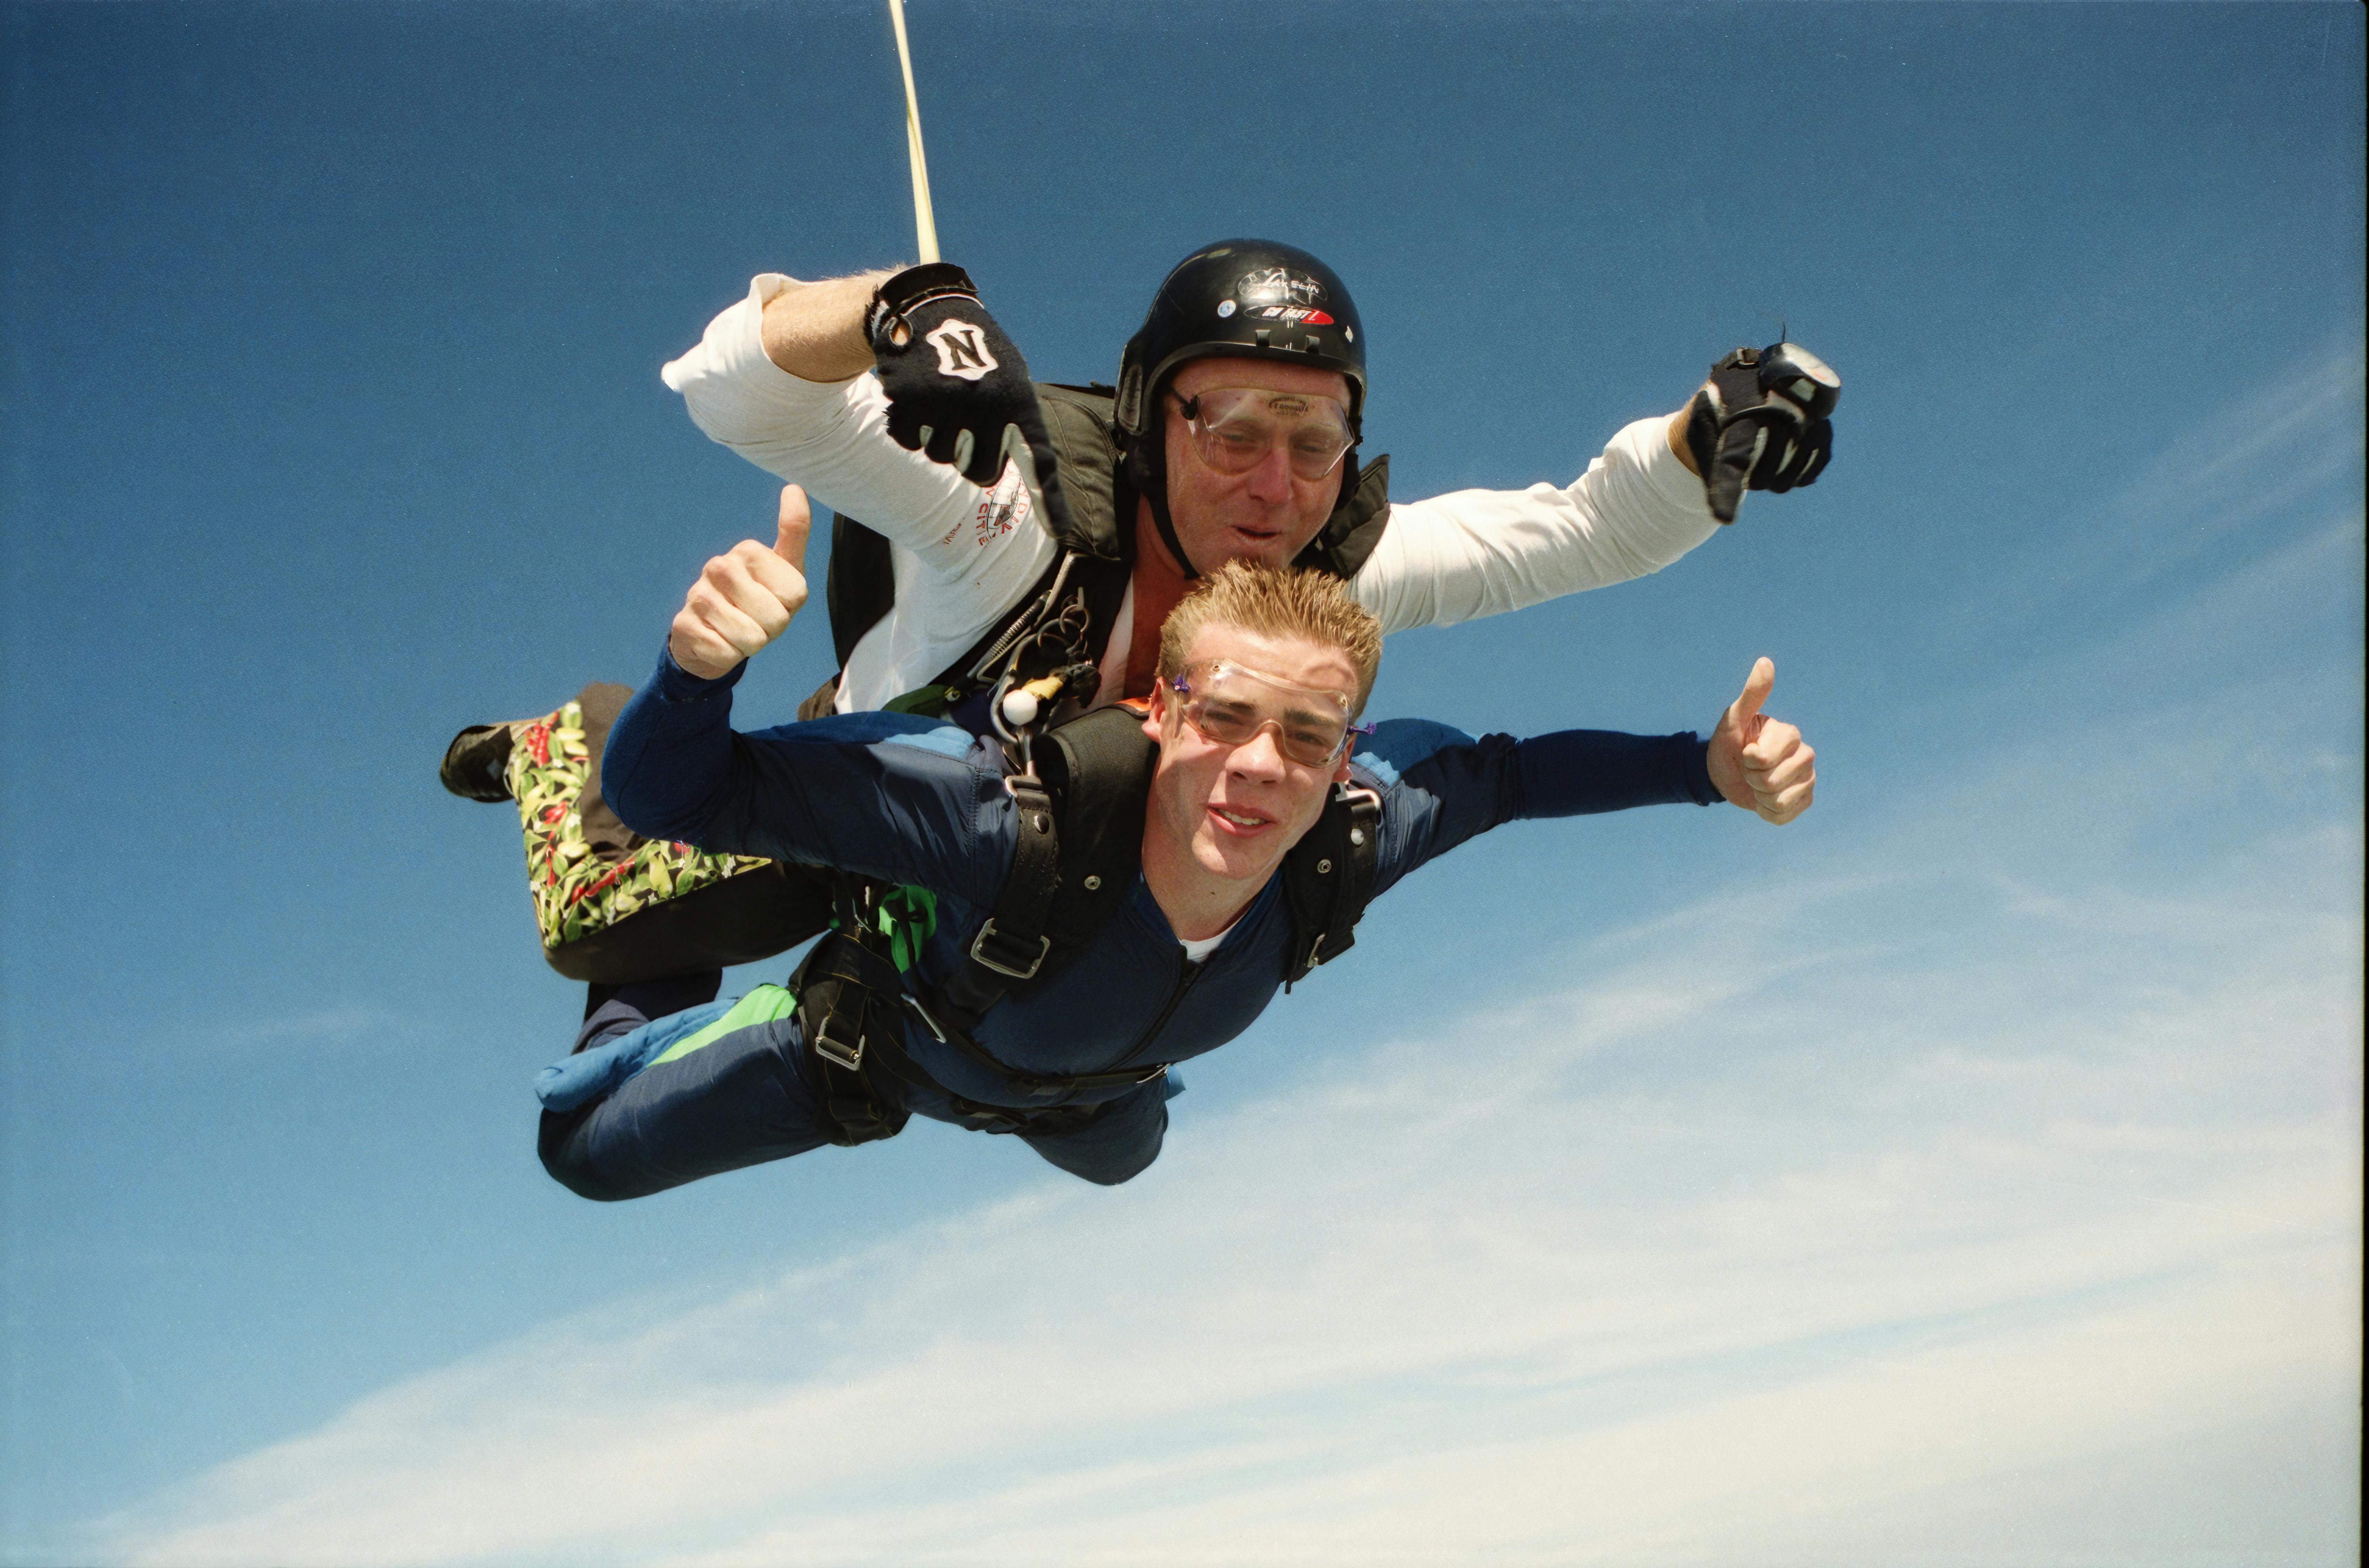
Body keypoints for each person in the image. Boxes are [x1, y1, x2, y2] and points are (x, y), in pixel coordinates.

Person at [444, 240, 1836, 987]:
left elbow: (1582, 531)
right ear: (1145, 415)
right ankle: (567, 734)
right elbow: (730, 389)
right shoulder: (1007, 507)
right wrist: (898, 310)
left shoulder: (1329, 582)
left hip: (1047, 869)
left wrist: (1705, 432)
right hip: (870, 805)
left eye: (1316, 437)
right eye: (1229, 425)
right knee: (607, 929)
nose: (1275, 482)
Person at [535, 508, 1816, 1200]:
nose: (1261, 765)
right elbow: (673, 789)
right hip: (875, 1054)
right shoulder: (1001, 820)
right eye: (1222, 718)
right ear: (1159, 714)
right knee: (583, 1151)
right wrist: (696, 669)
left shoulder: (1356, 831)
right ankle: (648, 953)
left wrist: (1702, 772)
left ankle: (1089, 1091)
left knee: (1122, 1160)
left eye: (1307, 736)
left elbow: (1520, 773)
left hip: (1099, 1093)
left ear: (1347, 748)